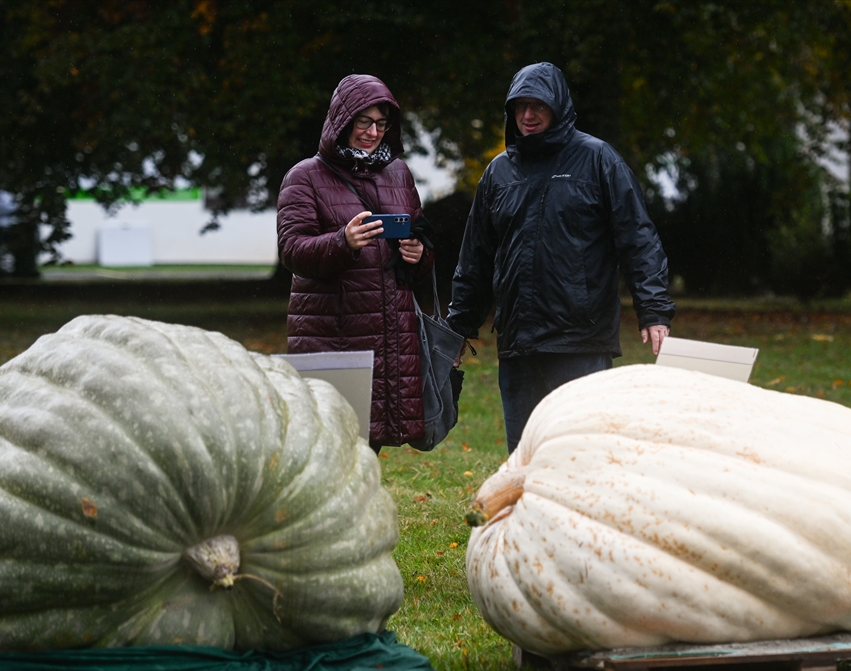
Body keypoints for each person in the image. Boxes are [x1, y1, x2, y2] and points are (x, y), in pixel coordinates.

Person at [448, 62, 675, 452]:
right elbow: (476, 258)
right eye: (520, 106)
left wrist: (653, 309)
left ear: (559, 107)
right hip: (518, 341)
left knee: (582, 451)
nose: (528, 115)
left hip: (580, 340)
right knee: (526, 454)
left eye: (538, 105)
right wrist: (457, 328)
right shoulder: (499, 173)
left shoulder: (598, 159)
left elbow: (638, 238)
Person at [277, 75, 434, 451]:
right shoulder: (305, 176)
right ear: (342, 121)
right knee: (330, 440)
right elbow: (292, 250)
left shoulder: (398, 173)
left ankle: (360, 509)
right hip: (333, 331)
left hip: (392, 333)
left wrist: (419, 254)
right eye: (363, 121)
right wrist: (341, 242)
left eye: (381, 123)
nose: (373, 132)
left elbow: (421, 237)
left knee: (372, 439)